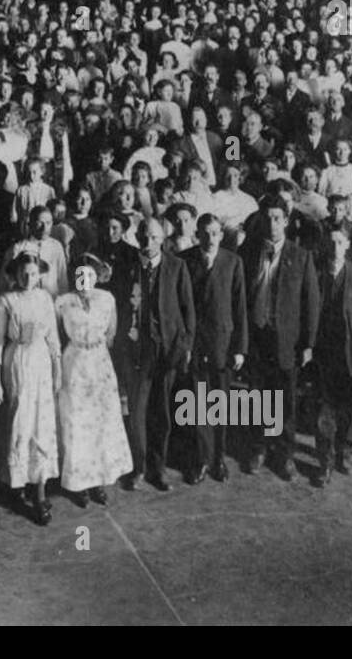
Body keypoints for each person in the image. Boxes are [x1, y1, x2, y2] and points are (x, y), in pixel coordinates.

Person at [240, 196, 319, 480]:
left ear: (286, 221)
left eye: (277, 218)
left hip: (286, 339)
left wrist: (308, 343)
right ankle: (259, 448)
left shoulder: (301, 256)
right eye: (268, 218)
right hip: (257, 336)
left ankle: (284, 455)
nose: (272, 224)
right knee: (259, 395)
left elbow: (311, 303)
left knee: (285, 399)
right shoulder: (249, 252)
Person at [53, 254, 133, 506]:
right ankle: (79, 484)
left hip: (99, 363)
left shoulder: (107, 299)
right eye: (79, 275)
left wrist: (96, 348)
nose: (84, 280)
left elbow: (111, 332)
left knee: (100, 421)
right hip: (74, 363)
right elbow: (55, 336)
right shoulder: (62, 302)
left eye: (89, 275)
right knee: (77, 421)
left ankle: (98, 480)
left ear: (97, 277)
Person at [0, 252, 62, 524]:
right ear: (14, 274)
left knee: (42, 424)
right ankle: (17, 488)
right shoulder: (6, 300)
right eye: (23, 273)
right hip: (17, 361)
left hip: (41, 360)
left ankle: (41, 490)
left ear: (40, 274)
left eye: (33, 273)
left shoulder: (45, 298)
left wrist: (58, 370)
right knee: (20, 422)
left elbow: (53, 335)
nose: (28, 278)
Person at [128, 216, 195, 491]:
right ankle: (138, 468)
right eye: (144, 236)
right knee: (138, 414)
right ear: (137, 238)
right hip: (138, 351)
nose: (148, 242)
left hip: (167, 350)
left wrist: (186, 346)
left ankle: (159, 468)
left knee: (162, 413)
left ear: (162, 239)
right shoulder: (130, 267)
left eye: (154, 237)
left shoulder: (177, 266)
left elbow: (188, 310)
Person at [182, 213, 248, 483]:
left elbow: (240, 307)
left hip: (223, 343)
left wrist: (239, 348)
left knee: (219, 403)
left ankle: (218, 458)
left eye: (215, 233)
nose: (211, 238)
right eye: (206, 233)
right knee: (198, 404)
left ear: (222, 235)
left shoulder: (233, 262)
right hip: (196, 344)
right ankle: (201, 460)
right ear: (198, 234)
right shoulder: (185, 261)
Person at [310, 224, 352, 485]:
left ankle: (344, 452)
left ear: (348, 245)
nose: (336, 246)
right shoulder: (316, 273)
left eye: (341, 242)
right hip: (324, 352)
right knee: (324, 409)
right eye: (332, 241)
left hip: (351, 351)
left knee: (349, 406)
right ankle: (324, 461)